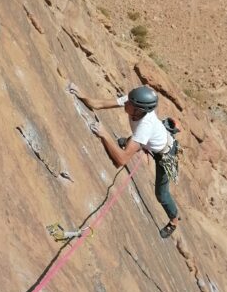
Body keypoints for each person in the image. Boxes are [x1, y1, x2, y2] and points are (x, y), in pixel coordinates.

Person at [73, 85, 180, 238]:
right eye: (128, 100)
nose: (126, 103)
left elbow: (121, 160)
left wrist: (104, 135)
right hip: (150, 139)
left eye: (130, 103)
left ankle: (174, 221)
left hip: (165, 153)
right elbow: (100, 104)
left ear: (139, 110)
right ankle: (133, 143)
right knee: (130, 142)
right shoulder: (134, 102)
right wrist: (82, 95)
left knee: (161, 194)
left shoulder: (144, 126)